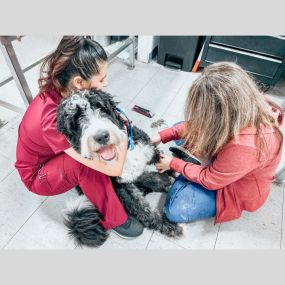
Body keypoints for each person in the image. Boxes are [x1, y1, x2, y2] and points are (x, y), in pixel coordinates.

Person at [15, 36, 143, 238]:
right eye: (101, 79)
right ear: (79, 82)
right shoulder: (52, 121)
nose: (106, 83)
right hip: (37, 175)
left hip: (51, 155)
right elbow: (115, 168)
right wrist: (124, 137)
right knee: (87, 162)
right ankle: (116, 218)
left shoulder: (63, 88)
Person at [151, 62, 283, 224]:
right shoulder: (247, 101)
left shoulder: (246, 145)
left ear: (223, 114)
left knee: (174, 210)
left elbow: (210, 180)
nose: (201, 116)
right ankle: (196, 164)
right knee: (179, 128)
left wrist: (174, 164)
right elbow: (201, 124)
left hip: (231, 188)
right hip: (229, 158)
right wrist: (161, 136)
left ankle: (193, 167)